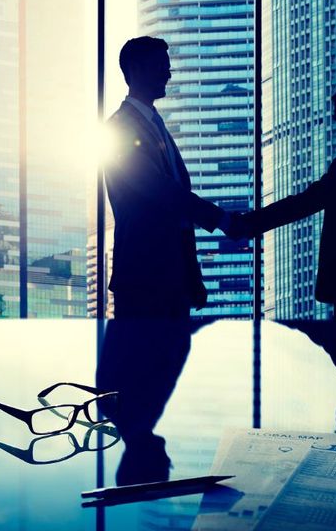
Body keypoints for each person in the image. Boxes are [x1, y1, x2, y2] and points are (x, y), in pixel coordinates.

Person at [96, 35, 226, 484]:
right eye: (160, 65)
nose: (168, 72)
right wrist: (220, 218)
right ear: (134, 70)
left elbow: (170, 205)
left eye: (167, 65)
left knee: (163, 354)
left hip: (163, 276)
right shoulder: (120, 128)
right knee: (147, 360)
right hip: (145, 275)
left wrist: (192, 274)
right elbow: (160, 194)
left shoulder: (151, 125)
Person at [228, 64, 336, 319]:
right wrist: (249, 223)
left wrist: (247, 224)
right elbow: (314, 198)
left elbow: (316, 201)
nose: (335, 97)